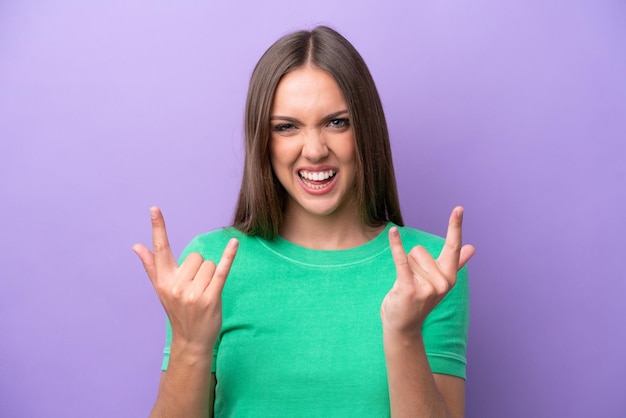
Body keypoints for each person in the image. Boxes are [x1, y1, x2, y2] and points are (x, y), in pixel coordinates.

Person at [134, 26, 475, 418]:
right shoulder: (209, 266)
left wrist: (404, 334)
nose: (314, 150)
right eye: (286, 127)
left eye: (337, 122)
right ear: (263, 139)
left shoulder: (429, 269)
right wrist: (190, 346)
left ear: (366, 129)